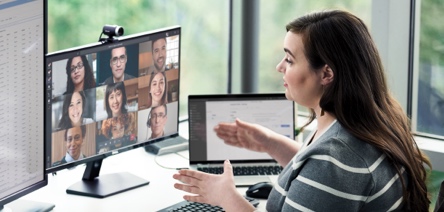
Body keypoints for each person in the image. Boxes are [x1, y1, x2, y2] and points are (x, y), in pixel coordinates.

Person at [173, 10, 431, 211]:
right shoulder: (365, 122)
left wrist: (226, 198)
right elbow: (320, 180)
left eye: (290, 59)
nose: (279, 67)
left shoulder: (337, 158)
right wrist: (271, 143)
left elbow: (329, 172)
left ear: (326, 73)